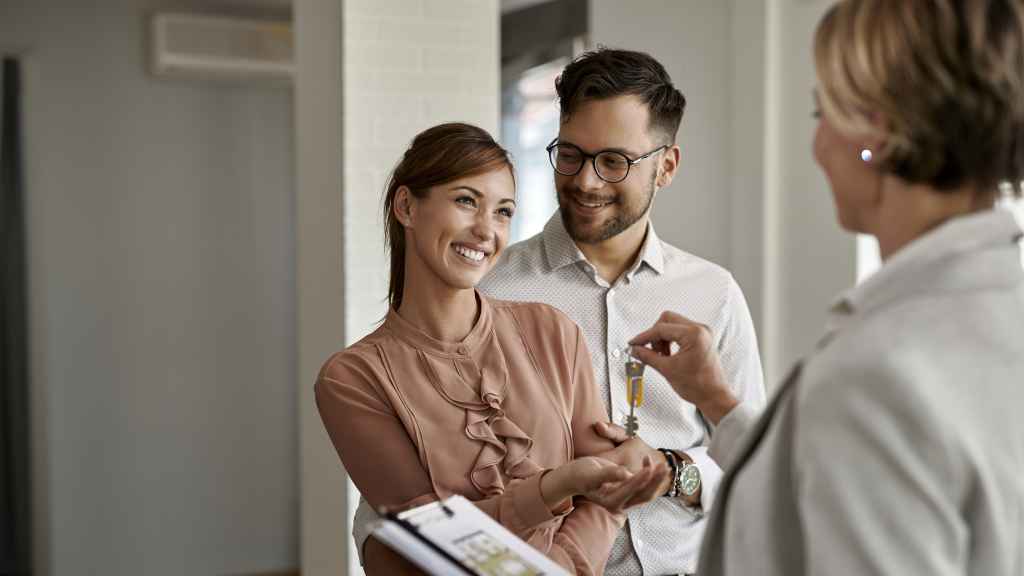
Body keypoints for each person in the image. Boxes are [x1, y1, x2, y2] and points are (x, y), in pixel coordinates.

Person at [628, 1, 1024, 574]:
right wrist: (717, 400)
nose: (817, 147)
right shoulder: (996, 313)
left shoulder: (879, 374)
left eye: (822, 113)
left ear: (877, 133)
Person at [315, 122, 667, 575]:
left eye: (503, 212)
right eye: (466, 201)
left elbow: (608, 494)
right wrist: (557, 485)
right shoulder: (353, 379)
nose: (486, 230)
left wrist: (558, 567)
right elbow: (428, 536)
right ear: (406, 206)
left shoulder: (553, 331)